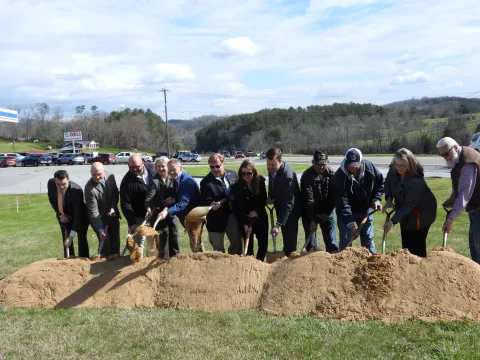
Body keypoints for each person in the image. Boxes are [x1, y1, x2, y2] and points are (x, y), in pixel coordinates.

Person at [383, 148, 437, 257]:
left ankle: (420, 269)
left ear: (410, 164)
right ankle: (408, 266)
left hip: (422, 213)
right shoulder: (394, 168)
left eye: (402, 165)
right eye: (397, 165)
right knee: (406, 244)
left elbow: (408, 205)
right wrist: (388, 199)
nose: (399, 168)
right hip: (405, 211)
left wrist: (393, 221)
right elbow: (388, 182)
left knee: (417, 245)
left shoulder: (416, 180)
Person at [437, 137, 480, 263]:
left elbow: (464, 194)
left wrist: (450, 219)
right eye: (442, 155)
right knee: (474, 243)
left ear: (455, 147)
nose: (445, 157)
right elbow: (458, 184)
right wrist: (452, 198)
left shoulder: (467, 162)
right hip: (475, 208)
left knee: (478, 243)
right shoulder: (458, 160)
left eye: (446, 153)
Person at [333, 148, 384, 253]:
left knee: (368, 242)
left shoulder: (369, 168)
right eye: (351, 165)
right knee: (345, 243)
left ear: (361, 161)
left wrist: (376, 200)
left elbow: (380, 184)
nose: (354, 168)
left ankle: (371, 264)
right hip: (346, 212)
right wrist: (351, 226)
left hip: (365, 210)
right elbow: (342, 204)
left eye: (356, 165)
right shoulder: (339, 176)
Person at [200, 153, 242, 254]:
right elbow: (205, 200)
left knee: (236, 244)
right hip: (215, 219)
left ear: (223, 163)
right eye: (212, 167)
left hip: (232, 215)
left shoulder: (233, 174)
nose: (214, 169)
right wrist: (212, 204)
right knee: (218, 250)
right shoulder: (205, 182)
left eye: (217, 166)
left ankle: (234, 266)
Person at [156, 159, 202, 252]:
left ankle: (200, 262)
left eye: (174, 169)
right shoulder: (177, 179)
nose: (171, 172)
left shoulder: (186, 181)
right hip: (187, 216)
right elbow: (181, 196)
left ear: (180, 168)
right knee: (196, 242)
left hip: (193, 217)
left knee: (195, 243)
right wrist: (173, 199)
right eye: (169, 170)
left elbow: (183, 203)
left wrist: (167, 212)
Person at [300, 149, 339, 253]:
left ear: (327, 163)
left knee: (332, 243)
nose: (321, 167)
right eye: (318, 164)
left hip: (327, 212)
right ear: (313, 162)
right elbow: (309, 199)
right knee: (311, 246)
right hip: (310, 212)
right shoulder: (306, 176)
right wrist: (312, 219)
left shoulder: (332, 174)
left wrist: (327, 212)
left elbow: (333, 196)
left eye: (323, 164)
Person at [266, 147, 302, 256]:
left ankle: (291, 263)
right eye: (268, 164)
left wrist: (278, 224)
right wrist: (270, 196)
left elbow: (289, 203)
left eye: (272, 165)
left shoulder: (288, 176)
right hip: (281, 206)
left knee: (290, 241)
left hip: (291, 211)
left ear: (280, 161)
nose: (270, 167)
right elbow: (272, 183)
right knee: (286, 238)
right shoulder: (272, 168)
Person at [47, 169, 90, 258]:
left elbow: (77, 216)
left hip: (80, 216)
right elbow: (52, 200)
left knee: (81, 237)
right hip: (63, 214)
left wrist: (71, 236)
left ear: (68, 179)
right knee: (65, 237)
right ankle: (69, 258)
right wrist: (61, 214)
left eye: (63, 184)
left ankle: (83, 259)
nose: (61, 187)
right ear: (55, 181)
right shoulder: (51, 184)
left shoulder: (76, 191)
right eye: (58, 184)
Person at [232, 159, 269, 261]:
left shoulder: (260, 181)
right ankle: (250, 267)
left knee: (263, 245)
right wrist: (244, 223)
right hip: (245, 219)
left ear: (254, 172)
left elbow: (263, 200)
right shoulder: (237, 186)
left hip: (260, 217)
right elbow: (238, 206)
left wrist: (256, 211)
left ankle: (259, 264)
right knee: (249, 247)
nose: (246, 176)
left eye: (249, 173)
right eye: (243, 173)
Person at [120, 154, 155, 256]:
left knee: (153, 243)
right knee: (137, 244)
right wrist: (132, 223)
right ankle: (135, 266)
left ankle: (149, 268)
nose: (134, 169)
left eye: (137, 166)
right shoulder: (126, 182)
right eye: (131, 167)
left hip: (154, 213)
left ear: (143, 162)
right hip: (139, 216)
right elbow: (125, 204)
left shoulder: (153, 169)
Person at [145, 156, 180, 259]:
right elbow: (149, 197)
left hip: (172, 212)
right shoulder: (154, 180)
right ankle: (163, 260)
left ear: (168, 166)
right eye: (158, 166)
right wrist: (148, 207)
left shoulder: (173, 177)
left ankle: (175, 258)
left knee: (174, 235)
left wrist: (174, 199)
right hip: (159, 213)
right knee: (162, 237)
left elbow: (179, 193)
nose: (160, 169)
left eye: (163, 166)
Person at [84, 162, 121, 257]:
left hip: (111, 212)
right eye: (94, 175)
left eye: (99, 174)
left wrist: (113, 207)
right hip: (98, 216)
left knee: (115, 238)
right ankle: (103, 263)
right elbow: (93, 211)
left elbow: (115, 194)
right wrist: (100, 228)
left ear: (104, 171)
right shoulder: (89, 189)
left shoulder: (110, 177)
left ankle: (115, 259)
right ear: (90, 173)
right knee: (104, 239)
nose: (97, 177)